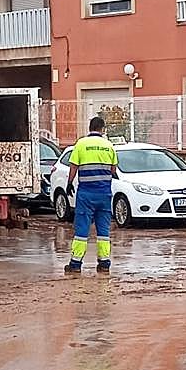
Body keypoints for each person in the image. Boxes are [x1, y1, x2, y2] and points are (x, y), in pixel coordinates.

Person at [64, 116, 118, 276]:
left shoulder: (81, 144)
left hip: (86, 194)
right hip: (104, 194)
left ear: (89, 128)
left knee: (81, 229)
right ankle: (104, 263)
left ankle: (75, 264)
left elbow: (74, 166)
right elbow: (113, 170)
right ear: (103, 129)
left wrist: (69, 183)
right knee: (103, 230)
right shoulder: (109, 146)